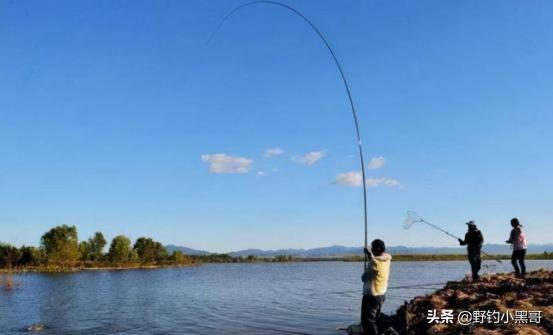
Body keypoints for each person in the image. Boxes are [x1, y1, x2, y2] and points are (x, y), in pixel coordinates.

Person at [361, 239, 392, 335]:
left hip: (372, 295)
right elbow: (377, 259)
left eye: (373, 248)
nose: (372, 249)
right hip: (382, 294)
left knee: (368, 322)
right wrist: (370, 256)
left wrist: (370, 259)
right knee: (375, 319)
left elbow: (364, 278)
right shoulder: (387, 258)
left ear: (378, 249)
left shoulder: (374, 262)